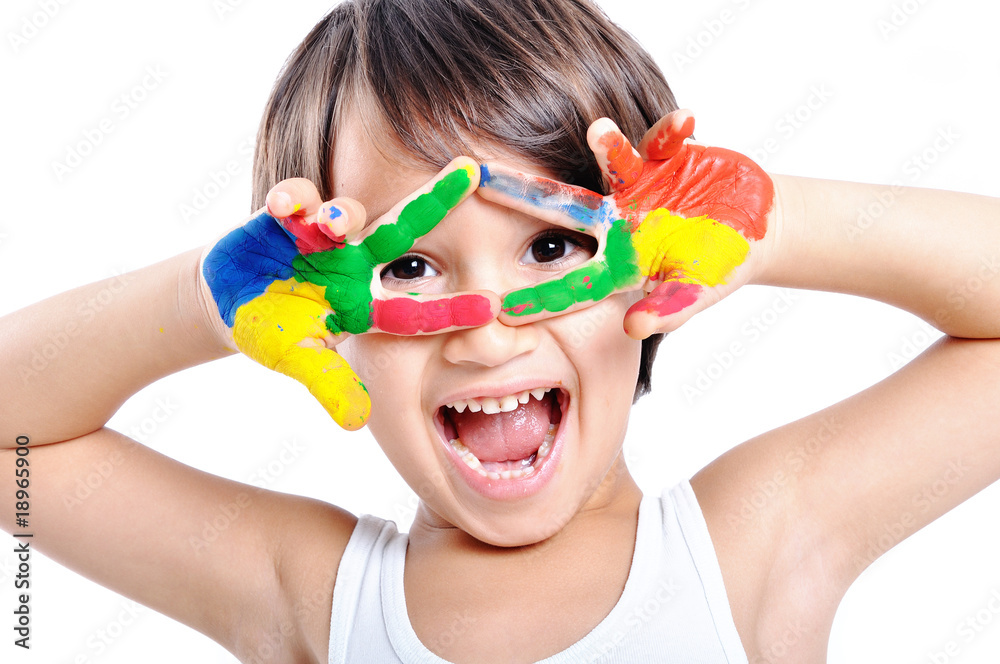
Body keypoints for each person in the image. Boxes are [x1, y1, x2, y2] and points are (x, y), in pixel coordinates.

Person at [2, 1, 999, 663]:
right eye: (408, 265)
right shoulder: (311, 594)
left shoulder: (756, 539)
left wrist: (761, 219)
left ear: (651, 262)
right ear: (321, 316)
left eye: (552, 250)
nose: (485, 337)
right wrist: (205, 300)